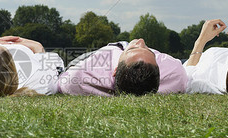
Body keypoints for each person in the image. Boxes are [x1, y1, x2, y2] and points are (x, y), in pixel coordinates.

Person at [58, 39, 188, 96]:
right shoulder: (175, 73)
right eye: (150, 51)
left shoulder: (81, 75)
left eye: (132, 48)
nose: (141, 41)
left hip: (98, 54)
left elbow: (63, 79)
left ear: (115, 71)